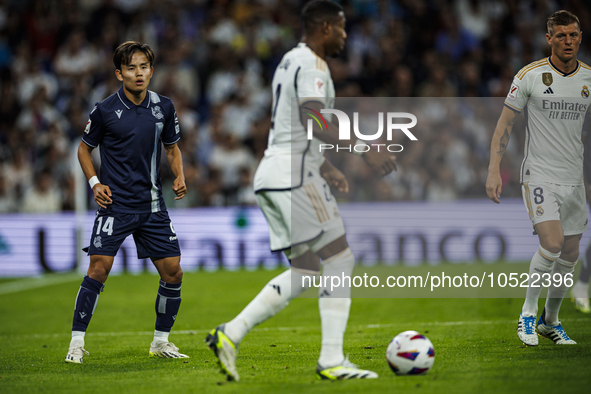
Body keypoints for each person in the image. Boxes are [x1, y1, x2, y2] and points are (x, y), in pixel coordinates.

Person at [205, 0, 397, 381]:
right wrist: (365, 147)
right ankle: (332, 360)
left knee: (307, 268)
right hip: (293, 177)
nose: (345, 36)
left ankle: (231, 332)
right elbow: (312, 117)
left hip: (276, 173)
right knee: (339, 258)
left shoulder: (290, 60)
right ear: (325, 28)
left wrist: (325, 166)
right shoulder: (313, 64)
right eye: (341, 28)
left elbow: (291, 123)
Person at [65, 41, 188, 363]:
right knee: (98, 268)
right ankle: (76, 343)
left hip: (152, 206)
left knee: (173, 272)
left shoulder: (164, 107)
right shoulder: (104, 110)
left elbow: (172, 148)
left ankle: (161, 342)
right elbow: (83, 148)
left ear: (151, 70)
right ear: (119, 73)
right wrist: (95, 183)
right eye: (131, 68)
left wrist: (179, 175)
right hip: (115, 206)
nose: (139, 73)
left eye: (144, 67)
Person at [486, 10, 591, 346]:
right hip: (540, 175)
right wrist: (493, 170)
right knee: (552, 244)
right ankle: (527, 315)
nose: (568, 41)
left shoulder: (589, 78)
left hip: (574, 179)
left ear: (579, 36)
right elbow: (504, 125)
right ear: (549, 39)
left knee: (571, 254)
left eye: (573, 35)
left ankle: (551, 320)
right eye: (561, 35)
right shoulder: (530, 75)